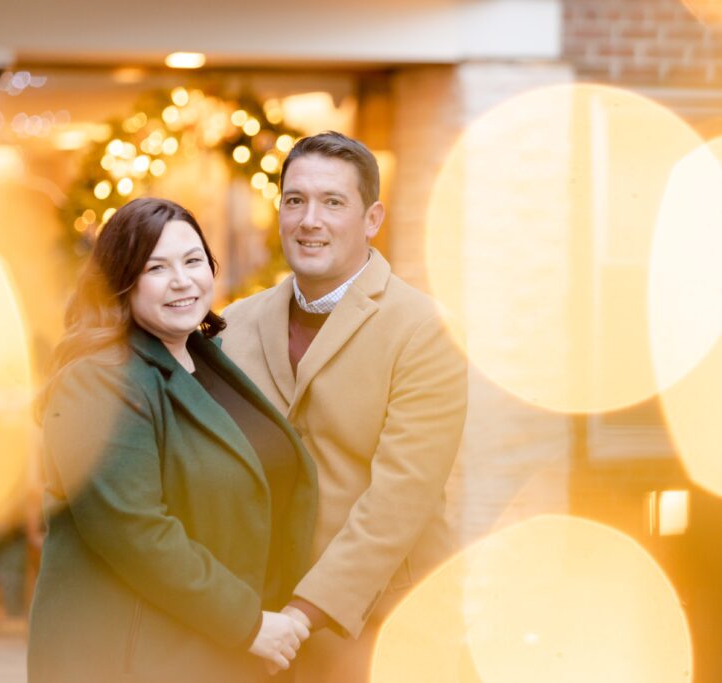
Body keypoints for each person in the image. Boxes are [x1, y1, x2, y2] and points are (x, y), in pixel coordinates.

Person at [28, 198, 316, 682]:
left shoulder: (205, 360)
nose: (182, 280)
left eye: (192, 260)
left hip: (212, 647)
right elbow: (135, 532)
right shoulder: (98, 380)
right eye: (156, 267)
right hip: (130, 657)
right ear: (121, 282)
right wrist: (248, 623)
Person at [221, 131, 468, 681]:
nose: (311, 219)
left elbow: (398, 500)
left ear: (372, 218)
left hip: (383, 628)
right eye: (295, 200)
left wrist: (301, 614)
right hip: (257, 629)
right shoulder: (232, 325)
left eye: (333, 202)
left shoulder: (425, 330)